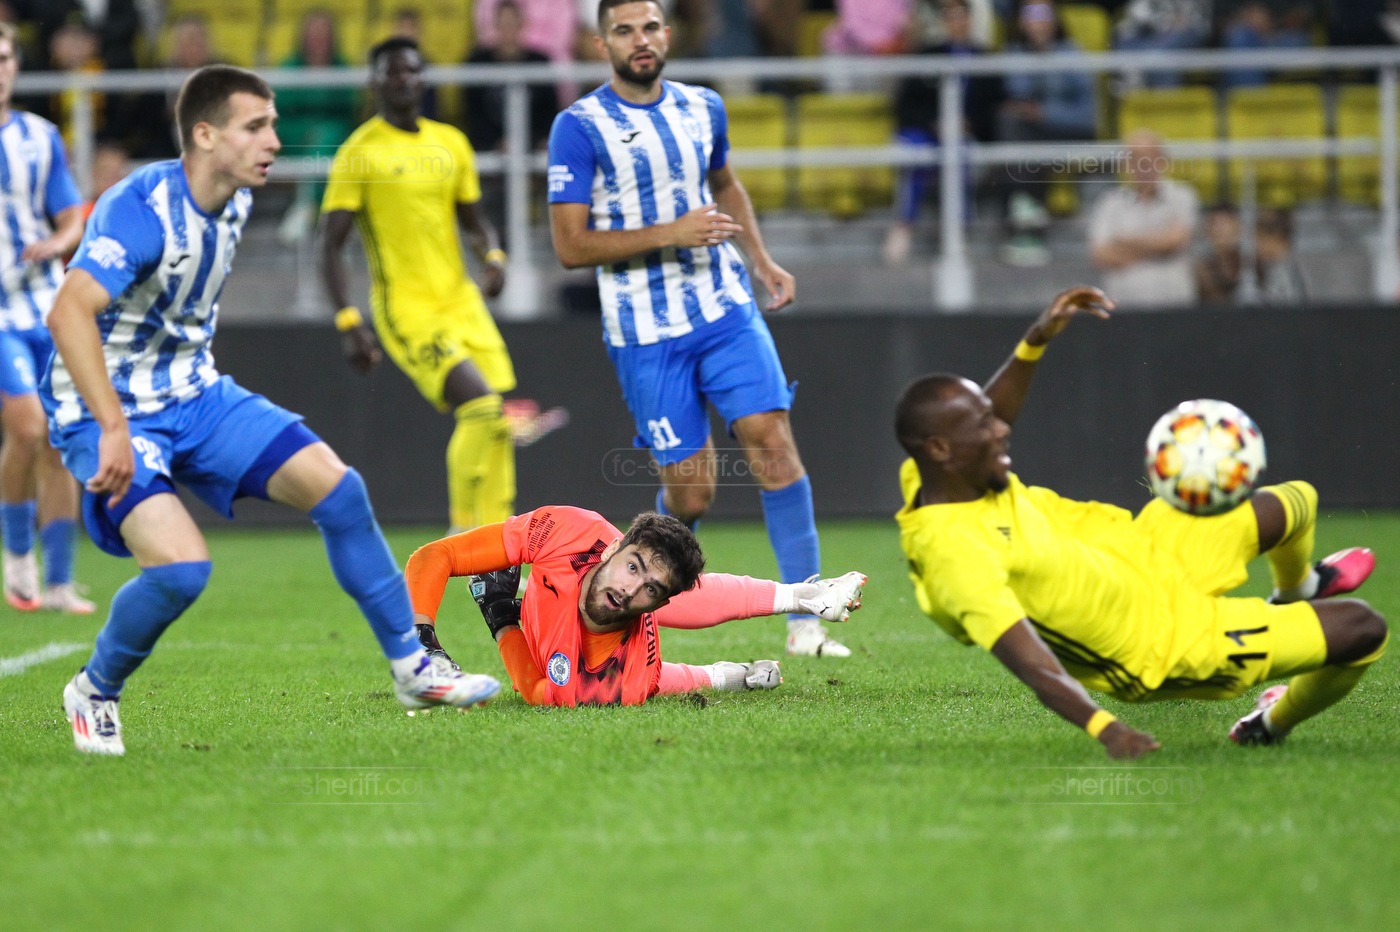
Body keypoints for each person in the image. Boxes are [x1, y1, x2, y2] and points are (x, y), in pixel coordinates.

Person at [46, 65, 501, 756]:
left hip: (194, 393)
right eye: (256, 126)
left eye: (274, 125)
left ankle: (413, 668)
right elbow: (67, 312)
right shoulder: (142, 208)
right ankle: (95, 689)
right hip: (107, 407)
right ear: (205, 135)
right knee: (181, 572)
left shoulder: (234, 199)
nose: (275, 142)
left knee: (340, 491)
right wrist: (111, 426)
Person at [894, 285, 1386, 759]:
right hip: (1162, 643)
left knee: (1294, 502)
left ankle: (1297, 590)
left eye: (990, 416)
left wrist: (1035, 340)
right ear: (940, 449)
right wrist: (1106, 728)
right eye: (984, 425)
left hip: (1149, 551)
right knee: (1363, 628)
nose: (1002, 428)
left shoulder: (930, 472)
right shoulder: (956, 556)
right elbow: (1030, 662)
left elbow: (991, 410)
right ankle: (1269, 725)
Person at [547, 0, 849, 658]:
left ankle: (806, 620)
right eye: (624, 30)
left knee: (772, 442)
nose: (640, 40)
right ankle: (637, 595)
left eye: (650, 27)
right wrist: (673, 233)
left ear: (667, 34)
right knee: (693, 491)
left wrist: (761, 261)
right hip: (645, 332)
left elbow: (727, 184)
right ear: (602, 45)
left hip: (723, 307)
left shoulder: (703, 106)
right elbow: (570, 246)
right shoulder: (579, 126)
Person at [321, 37, 517, 539]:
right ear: (374, 82)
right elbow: (331, 245)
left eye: (410, 70)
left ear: (423, 78)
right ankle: (462, 536)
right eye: (391, 72)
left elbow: (474, 221)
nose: (402, 79)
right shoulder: (359, 152)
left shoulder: (450, 143)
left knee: (498, 422)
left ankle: (501, 550)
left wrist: (493, 256)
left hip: (462, 302)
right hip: (407, 308)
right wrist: (348, 320)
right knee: (481, 408)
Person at [406, 506, 867, 706]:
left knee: (663, 680)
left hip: (621, 661)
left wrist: (502, 616)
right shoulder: (570, 530)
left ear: (653, 607)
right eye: (632, 566)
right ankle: (802, 595)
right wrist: (421, 647)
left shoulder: (614, 682)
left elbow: (534, 691)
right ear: (613, 547)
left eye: (649, 589)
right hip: (568, 576)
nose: (629, 589)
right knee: (675, 597)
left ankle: (731, 675)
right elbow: (434, 555)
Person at [0, 23, 94, 613]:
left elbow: (70, 215)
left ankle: (58, 581)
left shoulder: (40, 136)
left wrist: (58, 242)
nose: (0, 68)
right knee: (29, 429)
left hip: (45, 303)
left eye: (5, 57)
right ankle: (18, 557)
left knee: (61, 441)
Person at [883, 0, 1003, 266]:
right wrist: (935, 123)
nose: (957, 23)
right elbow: (905, 105)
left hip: (966, 135)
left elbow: (992, 108)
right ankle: (904, 226)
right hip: (928, 131)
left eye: (961, 17)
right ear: (944, 22)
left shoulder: (985, 60)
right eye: (951, 17)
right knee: (916, 152)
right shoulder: (927, 55)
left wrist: (968, 124)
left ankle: (958, 231)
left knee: (958, 153)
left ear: (970, 20)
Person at [997, 1, 1097, 267]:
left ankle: (1024, 220)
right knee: (1011, 127)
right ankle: (1027, 215)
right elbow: (1016, 93)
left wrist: (1045, 113)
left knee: (1020, 143)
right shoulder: (1014, 53)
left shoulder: (1072, 54)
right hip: (1030, 136)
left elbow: (1087, 117)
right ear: (1022, 22)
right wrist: (1036, 56)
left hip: (1068, 133)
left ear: (1055, 20)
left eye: (1044, 15)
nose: (1038, 22)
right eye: (1032, 15)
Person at [275, 9, 359, 246]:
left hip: (334, 138)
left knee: (327, 137)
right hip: (294, 137)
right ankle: (329, 217)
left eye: (323, 34)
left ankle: (306, 206)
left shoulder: (341, 68)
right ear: (303, 37)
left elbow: (349, 110)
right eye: (314, 34)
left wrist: (320, 130)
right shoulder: (290, 67)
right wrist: (310, 128)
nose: (318, 39)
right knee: (322, 140)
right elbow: (280, 111)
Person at [1088, 130, 1199, 309]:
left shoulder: (1182, 196)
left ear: (1163, 161)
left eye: (1150, 158)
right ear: (1126, 164)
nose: (1144, 166)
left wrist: (1125, 243)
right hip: (1125, 309)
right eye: (1136, 159)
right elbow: (1101, 256)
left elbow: (1176, 241)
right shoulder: (1109, 204)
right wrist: (1159, 245)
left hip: (1174, 305)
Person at [463, 0, 559, 154]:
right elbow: (473, 113)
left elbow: (548, 111)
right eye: (504, 24)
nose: (508, 29)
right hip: (489, 148)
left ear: (522, 25)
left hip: (534, 148)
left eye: (512, 23)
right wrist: (495, 143)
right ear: (495, 26)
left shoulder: (539, 62)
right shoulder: (478, 62)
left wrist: (533, 141)